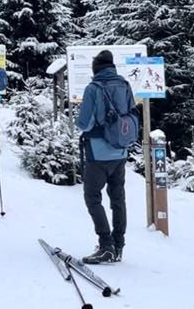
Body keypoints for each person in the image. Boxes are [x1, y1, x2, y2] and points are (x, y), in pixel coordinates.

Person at [76, 50, 132, 264]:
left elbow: (85, 123)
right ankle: (118, 246)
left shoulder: (93, 88)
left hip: (97, 152)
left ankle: (106, 244)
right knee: (118, 198)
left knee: (92, 196)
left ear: (96, 69)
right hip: (120, 150)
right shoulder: (124, 85)